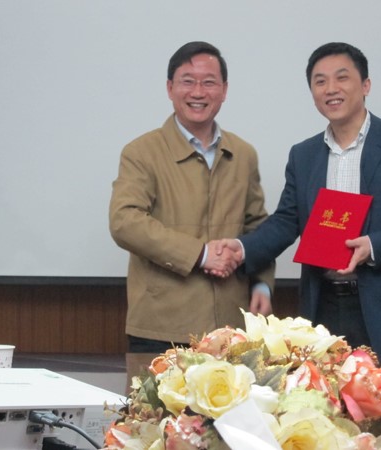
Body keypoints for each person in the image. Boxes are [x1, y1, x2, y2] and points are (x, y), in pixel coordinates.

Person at [214, 42, 381, 359]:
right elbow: (287, 221)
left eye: (342, 78)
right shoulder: (304, 155)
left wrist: (375, 246)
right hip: (323, 306)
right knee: (323, 390)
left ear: (366, 85)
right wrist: (243, 248)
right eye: (320, 81)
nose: (331, 89)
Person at [109, 41, 274, 357]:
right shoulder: (141, 152)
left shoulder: (243, 154)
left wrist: (262, 284)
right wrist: (201, 254)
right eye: (188, 81)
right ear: (170, 88)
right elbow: (124, 221)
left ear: (224, 90)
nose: (198, 92)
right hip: (161, 328)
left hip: (232, 329)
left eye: (209, 82)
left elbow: (258, 227)